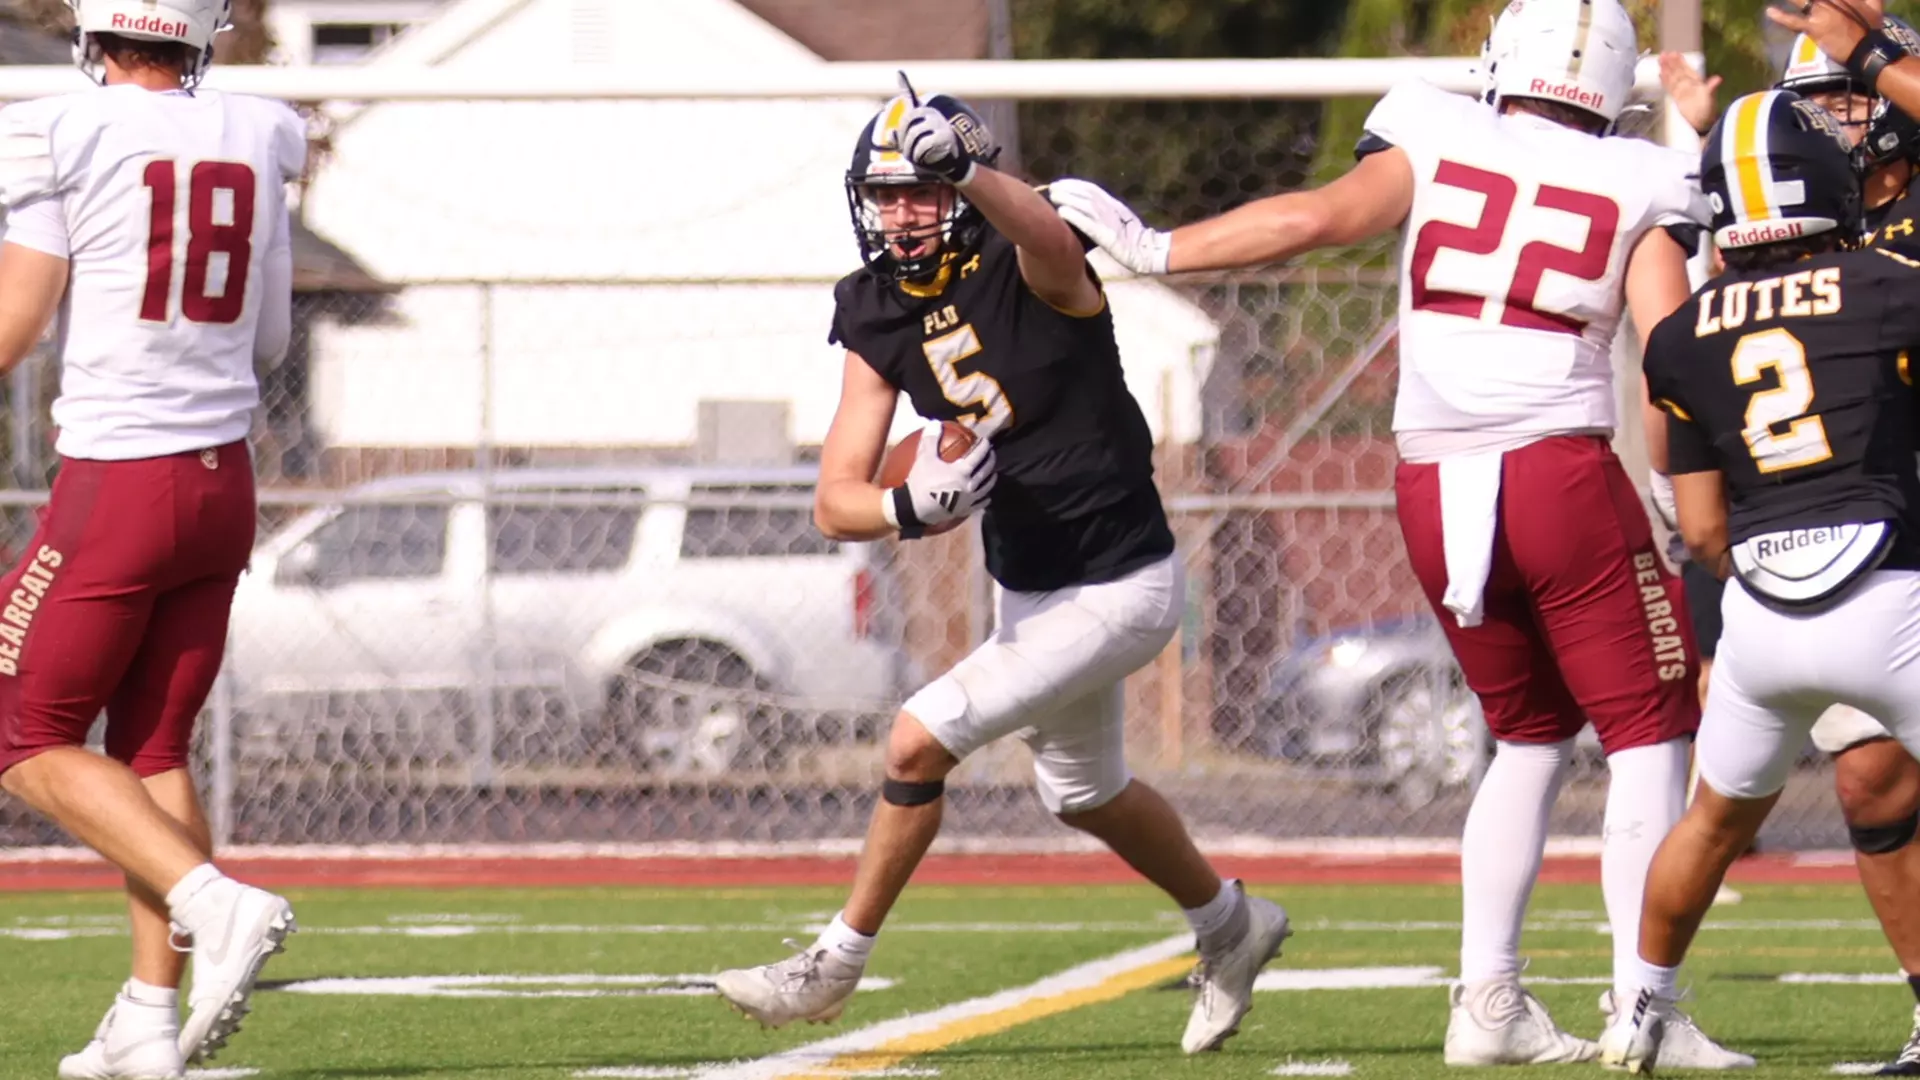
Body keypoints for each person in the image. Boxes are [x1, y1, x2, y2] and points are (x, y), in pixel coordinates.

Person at [1049, 0, 1750, 1067]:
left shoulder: (1435, 125)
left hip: (1429, 481)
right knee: (1651, 736)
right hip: (1559, 472)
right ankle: (1640, 1006)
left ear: (1501, 59)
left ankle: (1488, 1003)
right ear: (1614, 84)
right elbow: (1673, 348)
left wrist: (1157, 249)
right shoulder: (1643, 178)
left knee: (1525, 737)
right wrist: (1678, 483)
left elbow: (1312, 218)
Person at [707, 84, 1290, 1055]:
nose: (902, 214)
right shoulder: (876, 310)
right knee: (1083, 794)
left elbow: (1054, 242)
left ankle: (833, 963)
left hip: (1124, 582)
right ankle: (1232, 926)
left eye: (923, 192)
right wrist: (906, 507)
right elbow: (833, 496)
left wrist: (973, 170)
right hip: (1029, 587)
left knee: (912, 745)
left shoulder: (1030, 267)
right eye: (887, 195)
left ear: (965, 194)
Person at [0, 0, 305, 1075]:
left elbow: (19, 318)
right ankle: (146, 1015)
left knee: (21, 734)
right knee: (153, 750)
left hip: (118, 484)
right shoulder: (263, 126)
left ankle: (211, 903)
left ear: (94, 34)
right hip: (222, 482)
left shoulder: (58, 127)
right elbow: (269, 335)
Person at [1602, 86, 1920, 1073]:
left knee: (1713, 821)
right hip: (1891, 589)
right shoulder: (1892, 284)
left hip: (1763, 615)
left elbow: (1700, 527)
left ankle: (1639, 1008)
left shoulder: (1683, 334)